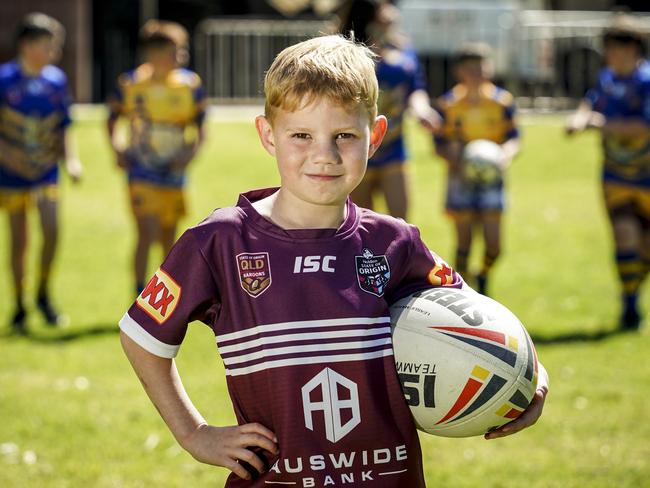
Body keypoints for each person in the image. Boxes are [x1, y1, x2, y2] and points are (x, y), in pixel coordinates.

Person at [119, 35, 548, 487]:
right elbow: (141, 337)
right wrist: (195, 433)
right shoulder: (221, 241)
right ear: (268, 134)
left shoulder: (394, 243)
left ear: (376, 136)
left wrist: (530, 375)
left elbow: (482, 322)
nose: (324, 155)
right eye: (301, 135)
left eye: (344, 135)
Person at [107, 20, 206, 295]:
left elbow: (201, 127)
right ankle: (138, 295)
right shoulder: (130, 83)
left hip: (173, 171)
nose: (182, 56)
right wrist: (117, 149)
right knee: (146, 232)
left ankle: (164, 300)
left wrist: (189, 155)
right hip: (141, 170)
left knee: (168, 237)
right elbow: (112, 119)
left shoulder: (189, 85)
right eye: (177, 50)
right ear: (155, 54)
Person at [566, 14, 650, 330]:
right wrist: (580, 117)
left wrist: (604, 124)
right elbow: (592, 103)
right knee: (624, 236)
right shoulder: (607, 79)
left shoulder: (646, 82)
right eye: (610, 48)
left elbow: (645, 126)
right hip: (615, 176)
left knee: (645, 248)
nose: (613, 54)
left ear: (634, 49)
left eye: (619, 48)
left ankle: (633, 294)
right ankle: (629, 308)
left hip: (647, 177)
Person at [0, 12, 82, 333]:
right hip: (11, 175)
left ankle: (44, 294)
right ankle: (20, 305)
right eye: (49, 45)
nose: (54, 53)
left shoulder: (56, 81)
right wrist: (8, 157)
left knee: (51, 231)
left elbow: (65, 126)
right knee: (19, 239)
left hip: (46, 172)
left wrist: (71, 160)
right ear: (27, 45)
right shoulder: (5, 80)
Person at [340, 0, 440, 220]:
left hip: (394, 145)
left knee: (401, 223)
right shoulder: (345, 54)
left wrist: (422, 110)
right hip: (356, 149)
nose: (392, 11)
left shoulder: (404, 48)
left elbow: (415, 88)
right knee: (361, 225)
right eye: (384, 6)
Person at [435, 43, 520, 296]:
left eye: (481, 67)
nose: (477, 73)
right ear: (459, 72)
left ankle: (483, 273)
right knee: (464, 241)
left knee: (494, 245)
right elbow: (439, 144)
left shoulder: (502, 102)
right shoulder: (449, 104)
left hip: (492, 178)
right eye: (470, 68)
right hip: (460, 178)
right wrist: (453, 156)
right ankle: (462, 291)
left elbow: (514, 137)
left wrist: (504, 155)